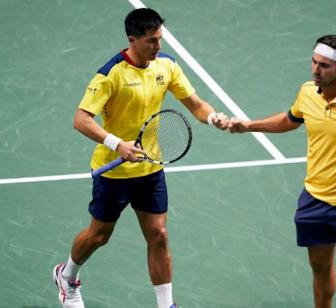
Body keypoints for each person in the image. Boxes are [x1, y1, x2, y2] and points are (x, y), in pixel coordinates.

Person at [52, 8, 228, 308]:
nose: (158, 47)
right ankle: (67, 276)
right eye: (151, 41)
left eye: (160, 39)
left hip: (150, 167)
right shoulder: (111, 74)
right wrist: (117, 144)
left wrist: (213, 118)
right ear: (132, 40)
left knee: (158, 235)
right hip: (114, 172)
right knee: (98, 237)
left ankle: (167, 305)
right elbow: (81, 119)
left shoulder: (167, 66)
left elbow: (196, 104)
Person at [228, 34, 336, 308]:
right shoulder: (307, 92)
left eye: (324, 66)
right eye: (314, 62)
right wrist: (249, 125)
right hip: (314, 200)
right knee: (320, 270)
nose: (315, 70)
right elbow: (290, 119)